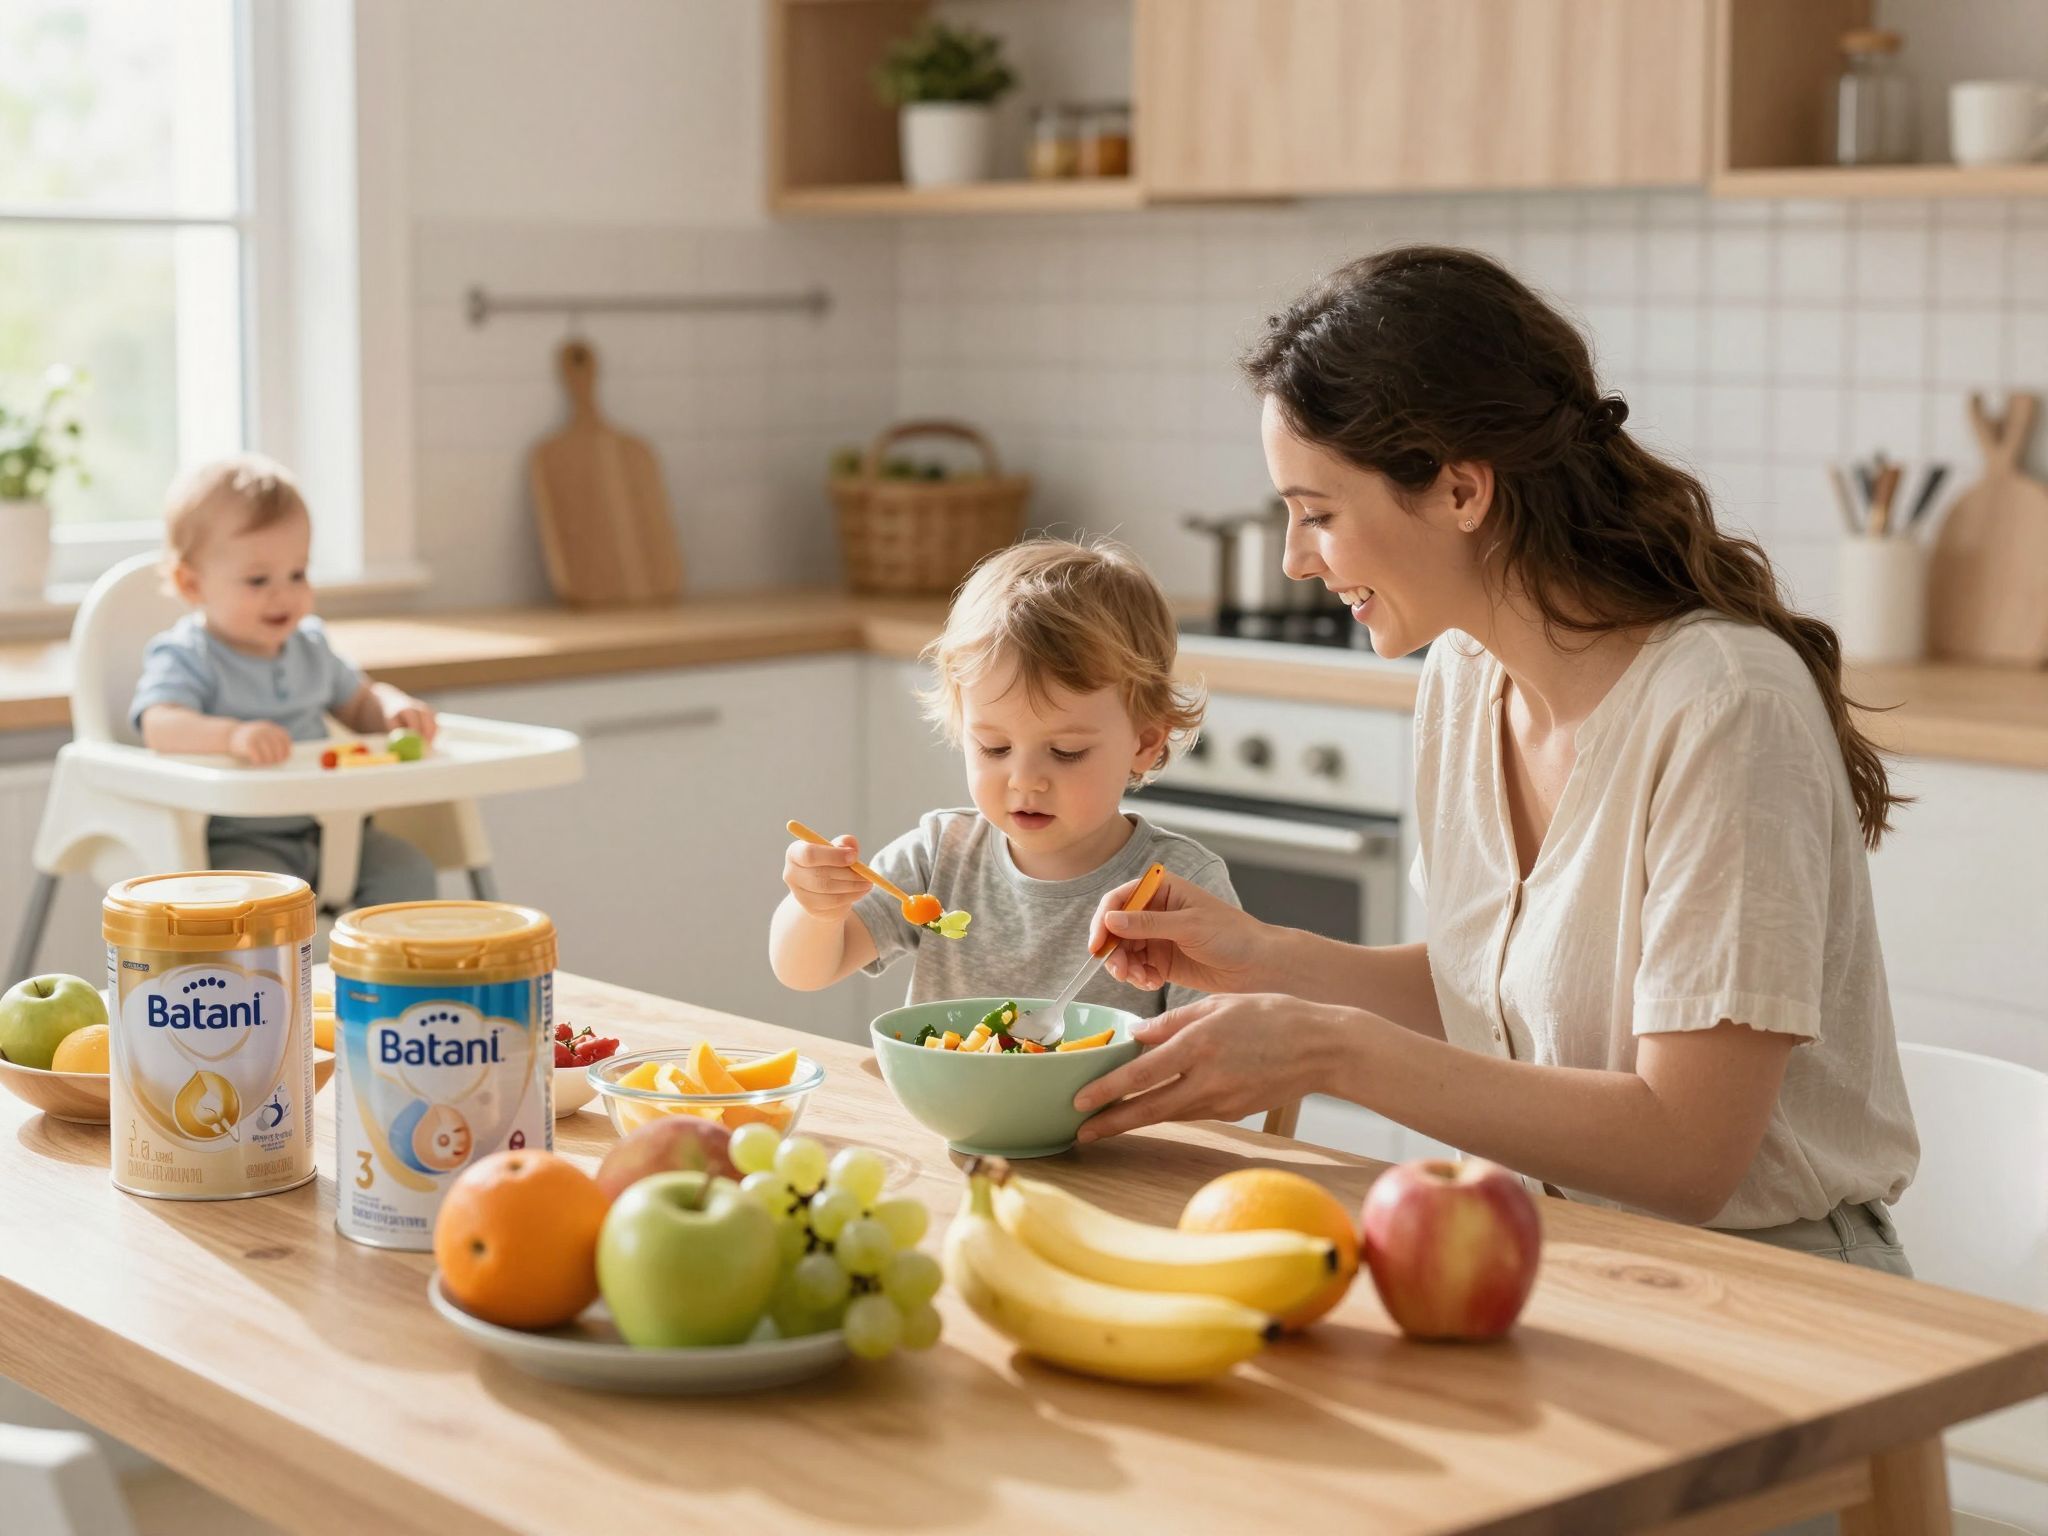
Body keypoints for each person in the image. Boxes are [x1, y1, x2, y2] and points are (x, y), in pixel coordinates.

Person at [1074, 247, 1918, 1276]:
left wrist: (1327, 1048)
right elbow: (1504, 996)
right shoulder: (1465, 679)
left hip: (1781, 1292)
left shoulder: (1723, 707)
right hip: (1553, 1259)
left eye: (1318, 513)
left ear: (1461, 490)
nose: (1296, 558)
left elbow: (1688, 1151)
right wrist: (1264, 957)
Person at [771, 537, 1238, 1019]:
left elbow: (1222, 1050)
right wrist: (816, 911)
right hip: (945, 1098)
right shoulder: (940, 855)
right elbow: (803, 971)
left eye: (1066, 752)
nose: (1025, 780)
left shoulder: (1180, 887)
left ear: (1143, 743)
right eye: (994, 747)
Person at [131, 454, 440, 907]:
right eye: (258, 580)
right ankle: (275, 982)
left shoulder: (310, 646)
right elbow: (159, 723)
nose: (285, 594)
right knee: (255, 906)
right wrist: (233, 736)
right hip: (240, 844)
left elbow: (358, 704)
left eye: (298, 573)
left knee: (409, 872)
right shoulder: (188, 655)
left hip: (336, 830)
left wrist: (392, 709)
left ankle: (386, 978)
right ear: (191, 585)